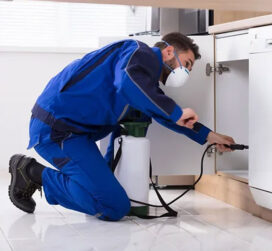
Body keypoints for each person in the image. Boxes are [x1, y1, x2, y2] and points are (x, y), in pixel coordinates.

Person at [8, 32, 235, 221]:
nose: (185, 73)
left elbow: (167, 117)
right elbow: (129, 81)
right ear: (167, 52)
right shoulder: (139, 52)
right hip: (55, 131)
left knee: (139, 118)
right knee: (113, 206)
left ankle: (100, 181)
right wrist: (176, 112)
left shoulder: (143, 85)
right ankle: (31, 172)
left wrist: (211, 136)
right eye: (186, 64)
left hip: (75, 134)